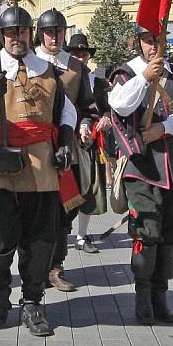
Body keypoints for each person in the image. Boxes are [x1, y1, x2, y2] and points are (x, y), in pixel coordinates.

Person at [0, 4, 77, 336]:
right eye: (11, 33)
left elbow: (66, 113)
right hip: (2, 165)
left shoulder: (49, 70)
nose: (18, 38)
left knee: (40, 240)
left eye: (23, 32)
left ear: (31, 34)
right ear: (2, 36)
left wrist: (66, 141)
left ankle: (33, 302)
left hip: (41, 166)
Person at [109, 24, 173, 325]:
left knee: (170, 231)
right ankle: (143, 296)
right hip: (142, 167)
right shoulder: (125, 74)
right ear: (138, 42)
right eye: (148, 41)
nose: (154, 46)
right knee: (146, 231)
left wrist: (162, 128)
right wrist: (145, 79)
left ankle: (160, 296)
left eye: (158, 40)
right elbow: (120, 105)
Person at [34, 11, 93, 291]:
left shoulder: (76, 67)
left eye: (59, 31)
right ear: (40, 34)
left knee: (63, 211)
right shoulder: (29, 63)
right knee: (35, 208)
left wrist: (85, 123)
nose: (54, 36)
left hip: (67, 148)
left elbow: (88, 105)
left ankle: (56, 266)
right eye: (49, 31)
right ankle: (35, 266)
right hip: (34, 146)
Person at [67, 33, 111, 253]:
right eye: (75, 54)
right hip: (64, 142)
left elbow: (107, 109)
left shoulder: (98, 83)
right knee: (66, 190)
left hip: (88, 143)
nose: (80, 58)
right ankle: (61, 232)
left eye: (83, 54)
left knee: (88, 189)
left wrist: (106, 118)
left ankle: (82, 236)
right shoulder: (60, 79)